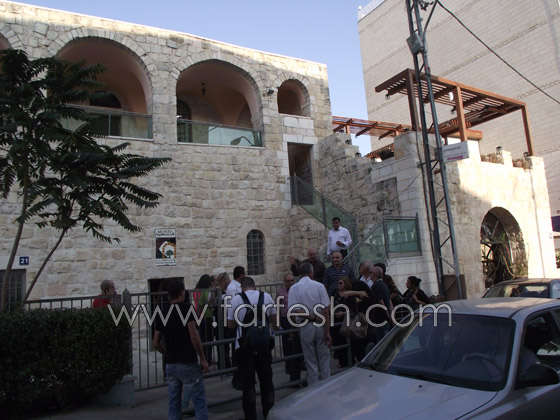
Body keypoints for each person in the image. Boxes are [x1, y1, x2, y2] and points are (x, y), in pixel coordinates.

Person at [153, 279, 209, 420]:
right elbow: (194, 335)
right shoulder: (186, 309)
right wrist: (203, 358)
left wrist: (167, 353)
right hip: (187, 360)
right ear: (182, 292)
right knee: (199, 401)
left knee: (174, 402)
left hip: (171, 363)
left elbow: (155, 343)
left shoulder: (162, 312)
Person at [227, 277, 276, 420]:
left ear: (242, 287)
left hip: (244, 347)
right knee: (267, 382)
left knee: (248, 386)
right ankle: (269, 414)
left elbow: (230, 324)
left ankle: (251, 417)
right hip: (264, 346)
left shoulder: (237, 299)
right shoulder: (266, 297)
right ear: (254, 286)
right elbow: (275, 320)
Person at [288, 262, 332, 386]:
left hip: (306, 325)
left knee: (310, 360)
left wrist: (311, 317)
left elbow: (296, 311)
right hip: (320, 324)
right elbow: (326, 310)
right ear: (311, 272)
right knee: (324, 358)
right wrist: (328, 332)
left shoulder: (294, 288)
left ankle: (313, 387)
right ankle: (326, 385)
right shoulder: (319, 286)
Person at [225, 266, 246, 390]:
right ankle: (236, 379)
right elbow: (234, 305)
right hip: (236, 322)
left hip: (241, 322)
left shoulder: (238, 286)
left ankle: (244, 376)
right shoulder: (233, 288)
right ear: (241, 275)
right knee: (236, 352)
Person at [331, 276, 356, 368]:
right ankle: (342, 361)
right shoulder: (335, 293)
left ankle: (350, 360)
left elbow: (354, 310)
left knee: (348, 341)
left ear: (346, 283)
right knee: (337, 341)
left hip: (346, 320)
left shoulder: (350, 294)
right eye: (338, 283)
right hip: (336, 320)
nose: (339, 285)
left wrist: (343, 313)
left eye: (341, 283)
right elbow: (331, 304)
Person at [276, 273, 298, 376]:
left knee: (297, 341)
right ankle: (288, 365)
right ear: (284, 282)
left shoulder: (297, 290)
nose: (290, 282)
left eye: (292, 280)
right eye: (288, 281)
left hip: (297, 317)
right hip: (286, 318)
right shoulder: (280, 292)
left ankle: (299, 363)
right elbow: (277, 308)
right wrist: (277, 323)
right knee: (287, 342)